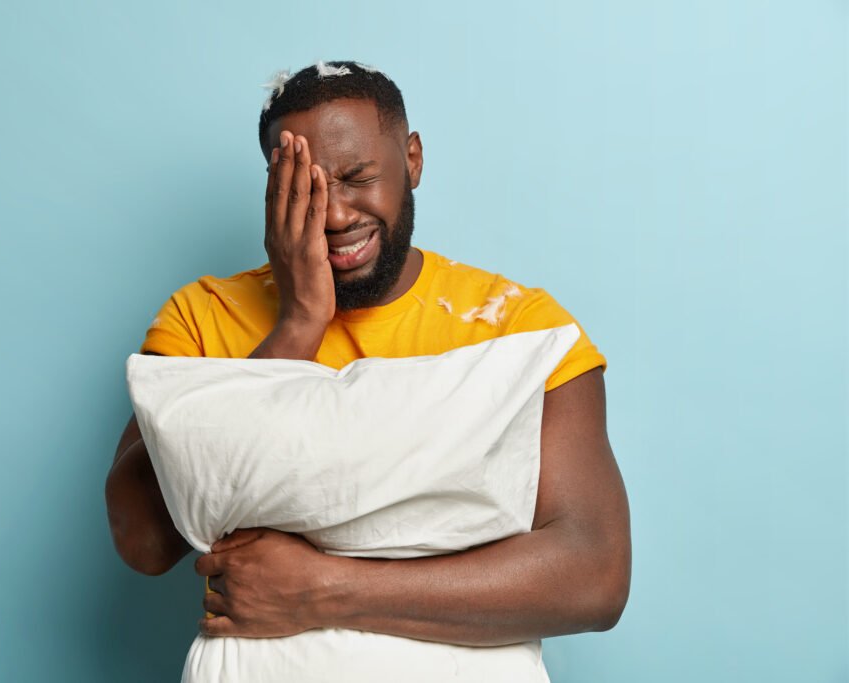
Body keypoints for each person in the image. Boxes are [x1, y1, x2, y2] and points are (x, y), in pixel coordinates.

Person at [105, 60, 630, 649]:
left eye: (357, 177)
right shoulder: (203, 318)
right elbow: (144, 543)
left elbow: (595, 578)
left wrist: (326, 589)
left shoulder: (517, 327)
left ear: (412, 160)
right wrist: (299, 323)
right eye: (306, 188)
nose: (334, 215)